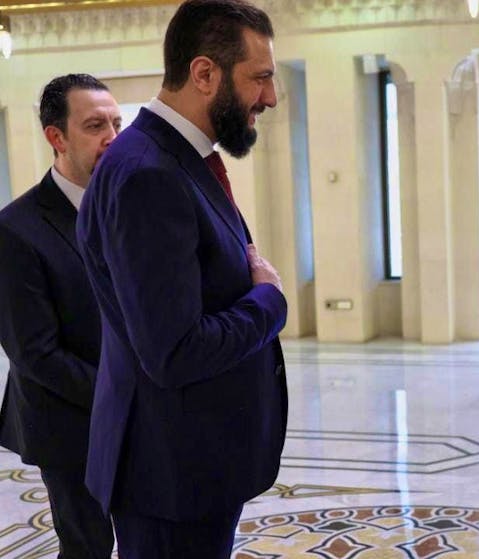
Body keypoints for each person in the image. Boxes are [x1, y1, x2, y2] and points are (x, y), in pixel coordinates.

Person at [75, 1, 287, 556]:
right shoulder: (149, 174)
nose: (270, 96)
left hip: (187, 465)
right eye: (260, 78)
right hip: (170, 476)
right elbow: (174, 351)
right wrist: (269, 301)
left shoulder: (173, 160)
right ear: (204, 73)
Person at [0, 74, 119, 559]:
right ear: (57, 137)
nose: (112, 137)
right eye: (94, 126)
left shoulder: (128, 208)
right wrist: (122, 397)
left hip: (136, 415)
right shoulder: (15, 229)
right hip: (67, 420)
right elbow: (36, 354)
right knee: (88, 546)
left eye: (117, 123)